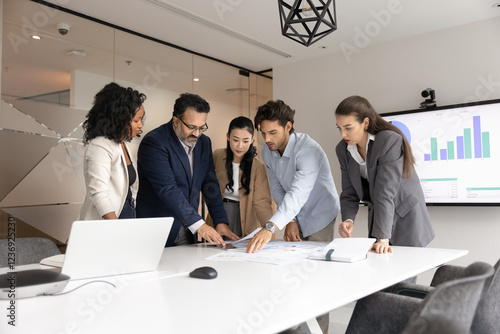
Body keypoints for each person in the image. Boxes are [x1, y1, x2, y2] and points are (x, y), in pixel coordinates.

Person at [335, 95, 435, 254]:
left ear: (365, 123)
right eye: (339, 128)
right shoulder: (342, 150)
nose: (342, 134)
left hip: (406, 216)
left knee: (405, 275)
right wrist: (348, 219)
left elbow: (385, 191)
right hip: (380, 215)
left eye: (348, 128)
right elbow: (349, 192)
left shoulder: (388, 141)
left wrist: (382, 237)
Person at [136, 93, 238, 247]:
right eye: (191, 127)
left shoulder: (204, 142)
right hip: (158, 230)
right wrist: (199, 225)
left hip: (188, 229)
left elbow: (210, 183)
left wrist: (220, 221)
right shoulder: (155, 142)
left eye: (202, 127)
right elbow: (167, 189)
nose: (197, 133)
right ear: (176, 120)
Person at [246, 100, 341, 251]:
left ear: (288, 127)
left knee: (314, 260)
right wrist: (290, 220)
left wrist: (270, 227)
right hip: (293, 210)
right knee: (294, 257)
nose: (267, 139)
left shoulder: (308, 150)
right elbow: (276, 187)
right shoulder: (267, 150)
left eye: (272, 133)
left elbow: (298, 193)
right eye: (263, 133)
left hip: (319, 212)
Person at [79, 82, 146, 220]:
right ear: (120, 119)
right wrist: (116, 227)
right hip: (108, 220)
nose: (140, 125)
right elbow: (98, 193)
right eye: (136, 120)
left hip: (127, 213)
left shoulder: (122, 144)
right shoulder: (100, 146)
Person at [207, 116, 273, 237]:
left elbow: (261, 201)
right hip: (219, 212)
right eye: (235, 140)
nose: (240, 146)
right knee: (215, 251)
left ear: (252, 139)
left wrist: (268, 227)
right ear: (228, 137)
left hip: (244, 214)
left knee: (239, 250)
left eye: (245, 141)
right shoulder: (217, 155)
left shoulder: (257, 166)